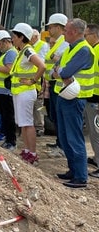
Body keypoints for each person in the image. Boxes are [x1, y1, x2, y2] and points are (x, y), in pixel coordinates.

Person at [53, 18, 94, 188]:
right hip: (64, 96)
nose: (63, 33)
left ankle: (81, 176)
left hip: (74, 99)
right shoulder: (71, 48)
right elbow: (56, 69)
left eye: (66, 31)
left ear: (76, 32)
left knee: (73, 137)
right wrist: (60, 72)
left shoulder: (83, 50)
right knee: (64, 136)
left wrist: (61, 72)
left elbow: (65, 71)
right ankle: (73, 170)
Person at [11, 23, 46, 164]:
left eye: (14, 37)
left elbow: (42, 66)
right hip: (20, 92)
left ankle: (32, 153)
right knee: (23, 124)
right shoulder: (22, 51)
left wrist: (33, 81)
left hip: (25, 92)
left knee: (27, 123)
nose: (12, 39)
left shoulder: (27, 51)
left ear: (21, 37)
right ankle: (27, 150)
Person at [44, 13, 69, 151]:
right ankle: (59, 142)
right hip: (52, 82)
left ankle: (62, 145)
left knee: (59, 117)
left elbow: (60, 60)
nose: (49, 30)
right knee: (55, 115)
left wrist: (53, 56)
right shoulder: (57, 41)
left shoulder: (64, 42)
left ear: (59, 27)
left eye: (51, 27)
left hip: (58, 84)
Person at [84, 23, 99, 178]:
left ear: (94, 35)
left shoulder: (97, 51)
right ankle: (96, 158)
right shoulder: (93, 50)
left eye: (86, 35)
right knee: (94, 132)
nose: (85, 37)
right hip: (92, 96)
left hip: (97, 99)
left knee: (96, 133)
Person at [30, 29, 49, 136]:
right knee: (34, 102)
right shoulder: (31, 46)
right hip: (34, 77)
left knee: (39, 103)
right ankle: (35, 125)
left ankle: (40, 126)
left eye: (30, 37)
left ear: (35, 37)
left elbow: (41, 61)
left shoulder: (43, 45)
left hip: (40, 77)